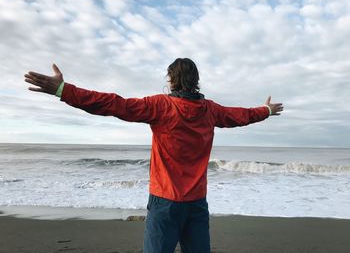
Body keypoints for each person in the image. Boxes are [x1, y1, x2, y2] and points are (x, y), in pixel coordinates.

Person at [24, 58, 283, 253]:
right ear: (196, 82)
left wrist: (63, 91)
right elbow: (242, 116)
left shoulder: (161, 106)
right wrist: (266, 110)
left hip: (164, 202)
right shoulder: (210, 111)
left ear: (171, 80)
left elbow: (114, 104)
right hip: (196, 203)